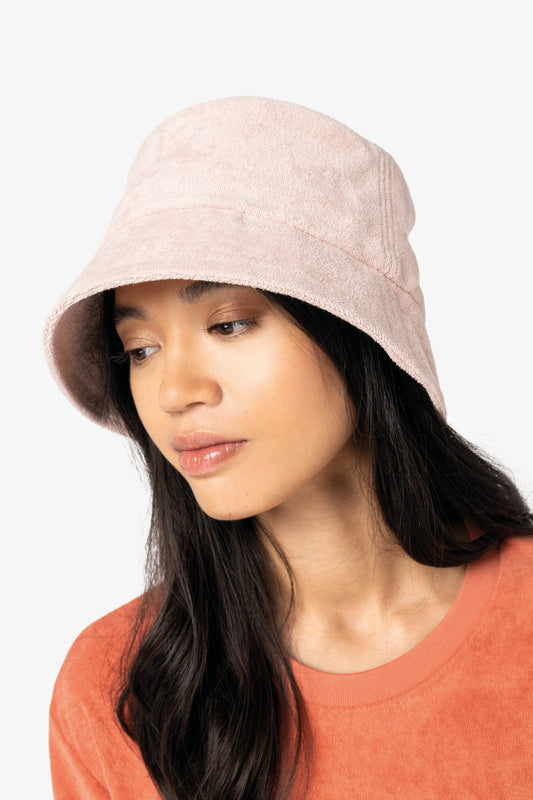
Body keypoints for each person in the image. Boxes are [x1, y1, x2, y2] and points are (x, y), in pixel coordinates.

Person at [43, 96, 533, 800]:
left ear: (358, 333)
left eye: (228, 324)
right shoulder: (119, 690)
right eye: (140, 348)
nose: (174, 391)